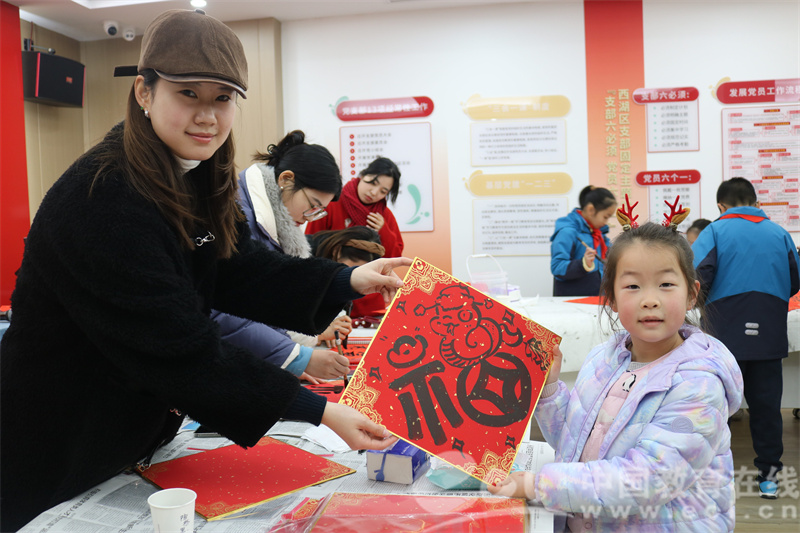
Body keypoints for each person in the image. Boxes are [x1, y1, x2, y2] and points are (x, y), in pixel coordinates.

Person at [0, 10, 409, 531]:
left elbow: (236, 268)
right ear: (144, 92)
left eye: (222, 98)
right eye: (188, 93)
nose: (207, 116)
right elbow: (177, 347)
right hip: (58, 434)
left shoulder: (196, 173)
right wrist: (319, 410)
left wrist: (345, 279)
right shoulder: (102, 196)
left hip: (130, 433)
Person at [490, 203, 743, 531]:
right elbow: (572, 442)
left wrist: (537, 485)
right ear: (610, 296)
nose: (649, 299)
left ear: (692, 294)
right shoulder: (603, 359)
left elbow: (647, 479)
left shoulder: (699, 384)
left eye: (666, 284)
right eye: (633, 286)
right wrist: (550, 389)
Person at [210, 130, 353, 383]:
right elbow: (226, 310)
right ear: (286, 179)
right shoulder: (236, 217)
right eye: (313, 205)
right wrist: (293, 357)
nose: (310, 217)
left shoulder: (273, 225)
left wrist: (287, 360)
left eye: (319, 211)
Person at [692, 177, 800, 499]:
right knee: (767, 409)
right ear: (755, 203)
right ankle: (770, 478)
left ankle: (713, 476)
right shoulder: (780, 234)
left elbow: (695, 279)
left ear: (721, 206)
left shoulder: (713, 232)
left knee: (715, 407)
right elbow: (795, 281)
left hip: (723, 336)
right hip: (769, 333)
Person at [305, 157, 403, 318]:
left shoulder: (384, 216)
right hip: (331, 292)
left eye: (383, 191)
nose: (374, 192)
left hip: (370, 301)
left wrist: (383, 230)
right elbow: (310, 246)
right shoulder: (333, 204)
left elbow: (393, 258)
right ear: (363, 175)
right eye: (372, 182)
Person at [550, 185, 617, 296]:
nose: (606, 222)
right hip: (572, 301)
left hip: (596, 298)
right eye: (606, 217)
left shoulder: (598, 234)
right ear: (591, 210)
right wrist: (583, 264)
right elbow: (557, 267)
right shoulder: (567, 232)